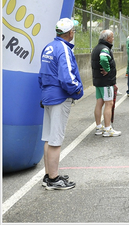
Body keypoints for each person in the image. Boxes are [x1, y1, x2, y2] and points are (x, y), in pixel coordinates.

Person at [38, 18, 83, 190]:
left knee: (49, 137)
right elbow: (67, 78)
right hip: (59, 97)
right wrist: (78, 91)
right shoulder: (64, 48)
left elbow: (41, 74)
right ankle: (54, 179)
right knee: (56, 140)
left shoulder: (49, 46)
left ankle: (48, 175)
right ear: (70, 32)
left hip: (48, 96)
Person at [91, 30, 121, 137]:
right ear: (108, 38)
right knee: (109, 104)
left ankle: (99, 127)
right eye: (112, 37)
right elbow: (103, 58)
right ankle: (108, 129)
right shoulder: (105, 48)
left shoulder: (96, 48)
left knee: (99, 103)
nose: (113, 39)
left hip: (98, 81)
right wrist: (107, 69)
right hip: (106, 82)